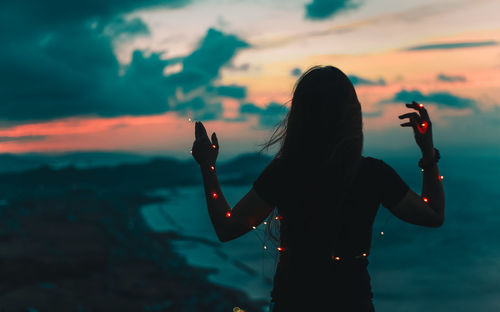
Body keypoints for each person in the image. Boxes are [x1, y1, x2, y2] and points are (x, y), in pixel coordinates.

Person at [191, 65, 445, 311]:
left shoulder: (285, 172)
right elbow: (432, 215)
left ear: (300, 115)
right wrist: (427, 153)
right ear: (352, 116)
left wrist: (207, 167)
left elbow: (227, 227)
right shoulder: (372, 174)